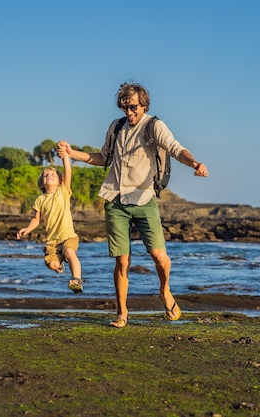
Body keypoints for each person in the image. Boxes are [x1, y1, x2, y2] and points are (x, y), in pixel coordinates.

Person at [58, 82, 208, 327]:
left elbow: (176, 149)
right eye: (125, 107)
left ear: (144, 104)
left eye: (133, 107)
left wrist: (194, 163)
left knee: (159, 256)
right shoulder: (116, 127)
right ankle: (122, 313)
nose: (129, 112)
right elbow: (103, 158)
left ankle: (165, 290)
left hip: (144, 199)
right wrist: (72, 153)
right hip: (115, 199)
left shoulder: (154, 126)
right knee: (122, 261)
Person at [16, 150, 83, 293]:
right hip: (52, 241)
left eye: (53, 174)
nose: (49, 176)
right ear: (42, 182)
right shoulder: (40, 200)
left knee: (70, 252)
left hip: (68, 236)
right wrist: (27, 229)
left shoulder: (63, 191)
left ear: (60, 181)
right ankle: (59, 265)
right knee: (52, 265)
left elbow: (68, 171)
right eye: (46, 175)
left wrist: (65, 156)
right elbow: (36, 219)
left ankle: (76, 280)